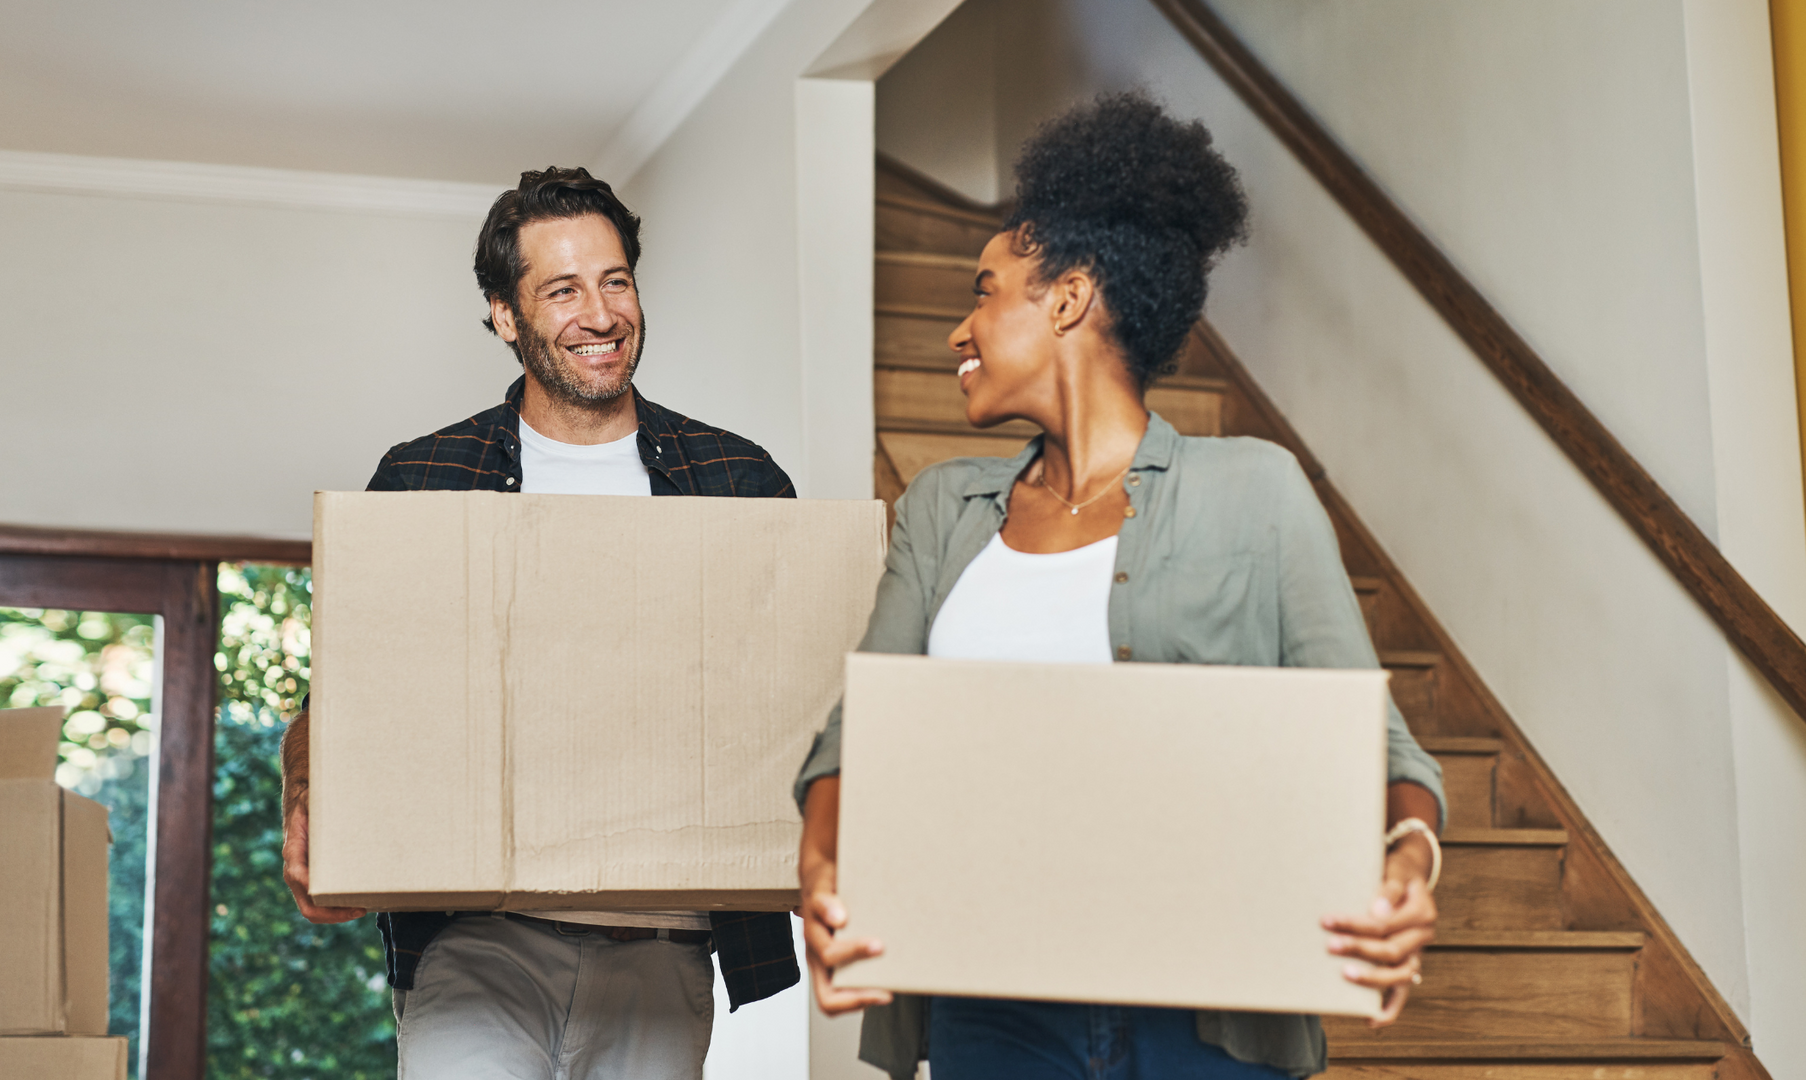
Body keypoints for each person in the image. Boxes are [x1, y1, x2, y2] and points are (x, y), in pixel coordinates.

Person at [792, 94, 1447, 1079]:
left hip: (1212, 1025)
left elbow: (1379, 748)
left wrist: (1407, 862)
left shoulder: (1255, 493)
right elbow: (858, 736)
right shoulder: (940, 509)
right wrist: (824, 871)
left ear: (1068, 298)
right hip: (990, 1014)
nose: (956, 332)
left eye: (986, 291)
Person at [279, 166, 801, 1080]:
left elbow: (791, 698)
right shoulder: (423, 478)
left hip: (666, 944)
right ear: (505, 316)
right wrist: (305, 793)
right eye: (561, 289)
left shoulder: (739, 478)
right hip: (477, 939)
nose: (599, 313)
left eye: (616, 281)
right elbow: (353, 692)